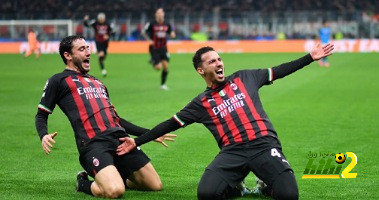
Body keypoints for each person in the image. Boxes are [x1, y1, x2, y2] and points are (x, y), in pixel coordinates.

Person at [116, 43, 335, 199]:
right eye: (212, 61)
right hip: (233, 153)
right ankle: (236, 188)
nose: (219, 63)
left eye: (219, 59)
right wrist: (137, 142)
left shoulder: (245, 77)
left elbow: (279, 71)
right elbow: (169, 124)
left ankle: (266, 186)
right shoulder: (201, 103)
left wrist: (309, 58)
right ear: (201, 70)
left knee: (289, 195)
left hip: (264, 145)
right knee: (206, 193)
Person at [35, 35, 176, 198]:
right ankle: (84, 183)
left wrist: (150, 134)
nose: (88, 52)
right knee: (115, 191)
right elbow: (41, 115)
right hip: (94, 143)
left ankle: (113, 175)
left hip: (121, 139)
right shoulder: (58, 80)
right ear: (68, 55)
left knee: (154, 185)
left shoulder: (98, 83)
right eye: (81, 49)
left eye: (88, 48)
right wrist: (43, 135)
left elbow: (116, 120)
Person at [141, 8, 176, 90]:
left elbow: (171, 33)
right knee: (158, 68)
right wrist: (149, 40)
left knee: (166, 67)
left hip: (163, 48)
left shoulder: (167, 24)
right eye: (158, 13)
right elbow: (143, 31)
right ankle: (153, 60)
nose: (160, 14)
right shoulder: (151, 23)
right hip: (154, 48)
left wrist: (172, 34)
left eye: (161, 13)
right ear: (156, 14)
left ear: (163, 14)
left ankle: (163, 85)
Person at [84, 12, 112, 77]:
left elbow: (113, 31)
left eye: (102, 19)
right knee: (101, 55)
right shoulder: (95, 23)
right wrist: (85, 20)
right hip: (98, 41)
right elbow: (87, 25)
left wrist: (108, 35)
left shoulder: (108, 24)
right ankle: (103, 70)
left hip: (105, 42)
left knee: (103, 57)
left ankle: (102, 68)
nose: (101, 20)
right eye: (100, 19)